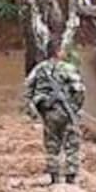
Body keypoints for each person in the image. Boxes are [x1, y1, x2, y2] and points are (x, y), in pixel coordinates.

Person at [24, 42, 85, 184]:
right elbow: (79, 90)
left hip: (49, 113)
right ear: (58, 52)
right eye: (62, 50)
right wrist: (75, 108)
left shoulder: (39, 69)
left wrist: (33, 109)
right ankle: (71, 176)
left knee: (52, 144)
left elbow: (28, 87)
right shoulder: (68, 68)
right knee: (72, 143)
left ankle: (54, 177)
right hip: (66, 111)